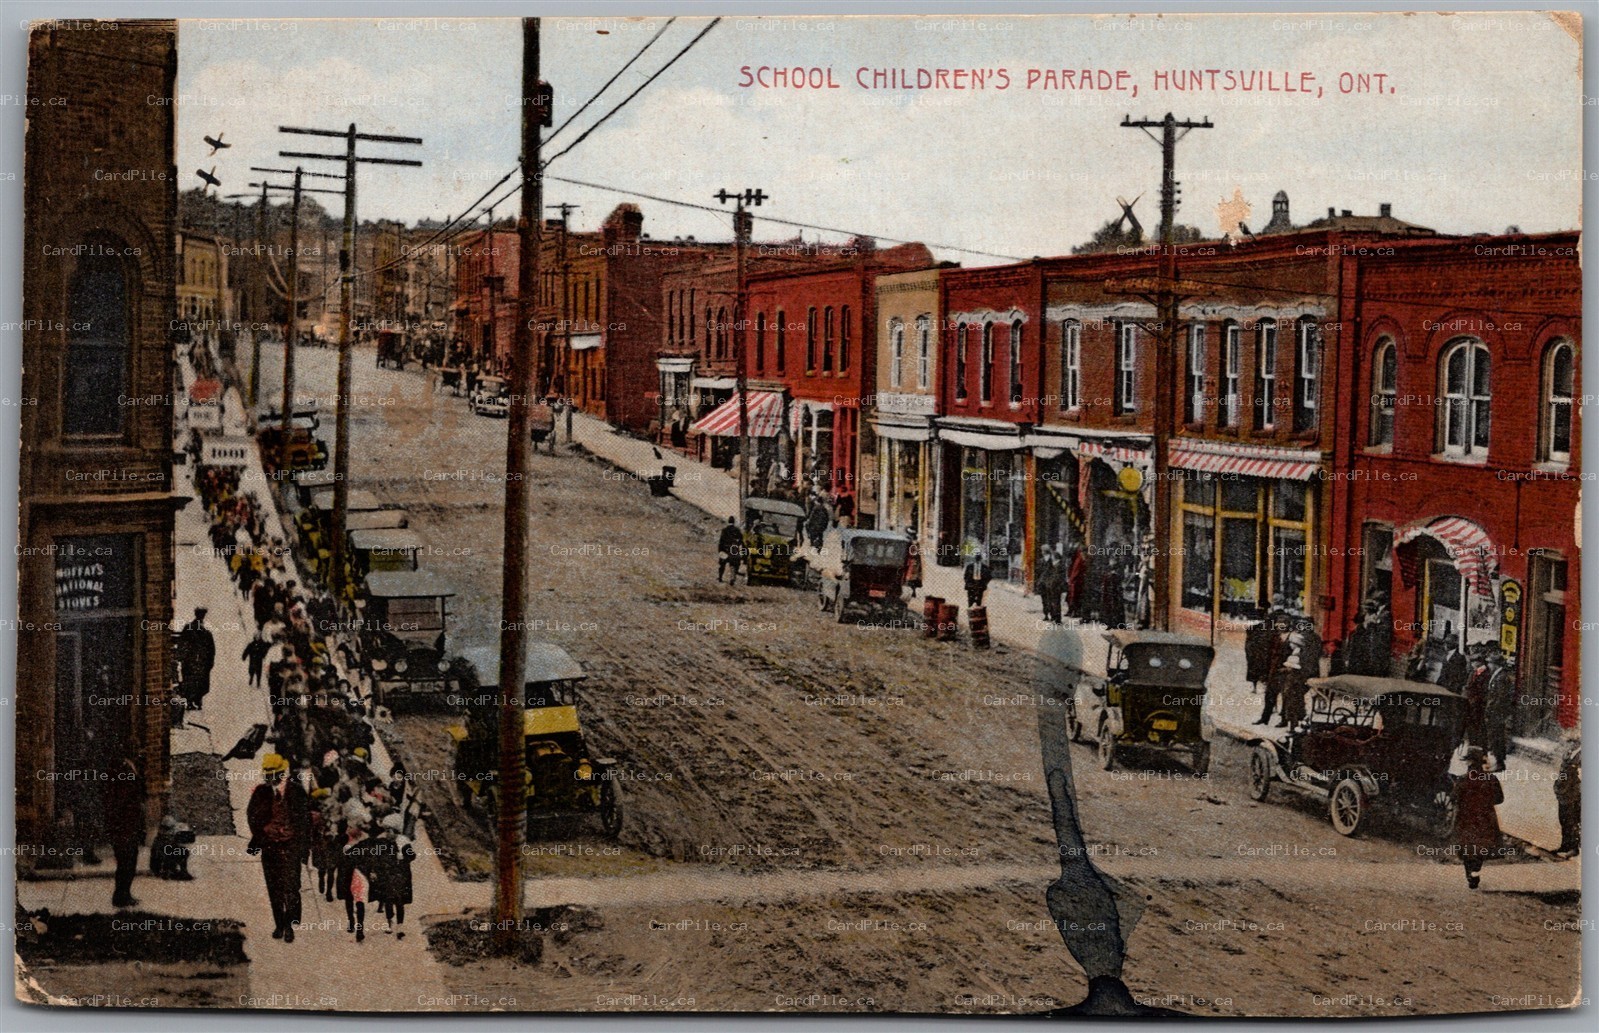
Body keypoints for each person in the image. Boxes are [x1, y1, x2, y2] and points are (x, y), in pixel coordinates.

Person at [246, 753, 312, 943]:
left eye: (272, 774)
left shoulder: (297, 791)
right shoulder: (261, 792)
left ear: (281, 773)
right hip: (270, 846)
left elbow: (305, 823)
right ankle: (279, 924)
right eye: (266, 775)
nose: (268, 778)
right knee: (274, 887)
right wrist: (262, 831)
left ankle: (290, 925)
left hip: (291, 846)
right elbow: (252, 816)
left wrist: (304, 850)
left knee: (290, 886)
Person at [1455, 746, 1503, 889]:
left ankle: (1470, 873)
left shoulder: (1463, 779)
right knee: (1481, 846)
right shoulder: (1491, 779)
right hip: (1486, 817)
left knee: (1467, 847)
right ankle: (1475, 871)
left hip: (1467, 817)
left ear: (1469, 762)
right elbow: (1499, 799)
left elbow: (1455, 797)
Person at [103, 754, 144, 908]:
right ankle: (120, 896)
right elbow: (118, 799)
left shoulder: (129, 765)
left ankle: (125, 894)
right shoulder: (119, 767)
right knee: (125, 862)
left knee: (130, 860)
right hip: (123, 826)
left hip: (129, 824)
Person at [175, 607, 217, 712]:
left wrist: (182, 658)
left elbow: (211, 649)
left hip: (195, 661)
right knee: (196, 682)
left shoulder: (194, 629)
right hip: (196, 661)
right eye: (201, 614)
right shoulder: (203, 631)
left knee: (194, 681)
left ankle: (194, 702)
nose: (202, 617)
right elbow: (211, 650)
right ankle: (194, 702)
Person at [1554, 732, 1581, 857]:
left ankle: (1574, 848)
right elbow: (1563, 772)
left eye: (1568, 741)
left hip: (1574, 792)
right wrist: (1558, 784)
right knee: (1564, 819)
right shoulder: (1570, 752)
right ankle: (1565, 845)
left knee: (1573, 820)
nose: (1565, 744)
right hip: (1564, 792)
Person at [1035, 545, 1062, 624]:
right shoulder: (1041, 560)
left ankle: (1052, 615)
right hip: (1043, 582)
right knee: (1044, 599)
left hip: (1049, 582)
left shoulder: (1052, 560)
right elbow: (1038, 571)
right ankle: (1046, 614)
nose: (1042, 552)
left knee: (1050, 599)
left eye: (1043, 550)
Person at [716, 516, 744, 584]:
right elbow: (741, 539)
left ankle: (720, 577)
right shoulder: (737, 530)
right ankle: (732, 578)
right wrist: (737, 545)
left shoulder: (724, 530)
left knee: (722, 564)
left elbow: (721, 541)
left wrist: (720, 550)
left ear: (728, 521)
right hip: (733, 550)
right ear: (734, 522)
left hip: (725, 549)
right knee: (733, 565)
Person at [1065, 545, 1087, 619]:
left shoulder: (1080, 560)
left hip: (1077, 582)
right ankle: (1073, 611)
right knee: (1073, 597)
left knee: (1075, 597)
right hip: (1077, 581)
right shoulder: (1079, 559)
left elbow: (1076, 571)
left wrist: (1071, 580)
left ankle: (1075, 612)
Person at [903, 531, 922, 601]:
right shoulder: (915, 543)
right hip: (914, 562)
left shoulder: (914, 543)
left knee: (912, 577)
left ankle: (912, 592)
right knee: (913, 577)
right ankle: (912, 591)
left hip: (913, 562)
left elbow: (914, 553)